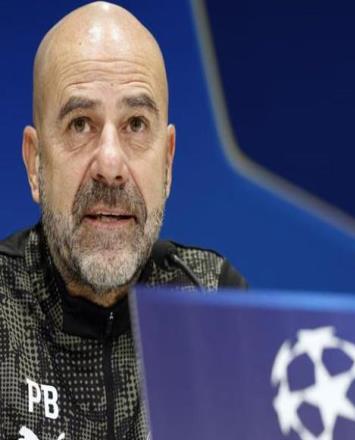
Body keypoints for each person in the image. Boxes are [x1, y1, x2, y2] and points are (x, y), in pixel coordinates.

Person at [0, 2, 246, 439]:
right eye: (80, 124)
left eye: (135, 124)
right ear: (35, 164)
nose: (111, 165)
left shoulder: (212, 300)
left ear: (167, 163)